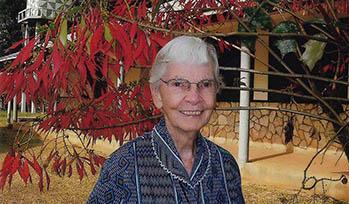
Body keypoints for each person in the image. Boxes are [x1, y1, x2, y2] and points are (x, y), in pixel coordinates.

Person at [87, 36, 245, 203]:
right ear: (157, 94)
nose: (194, 97)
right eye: (178, 84)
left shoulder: (225, 165)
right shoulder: (123, 167)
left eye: (205, 84)